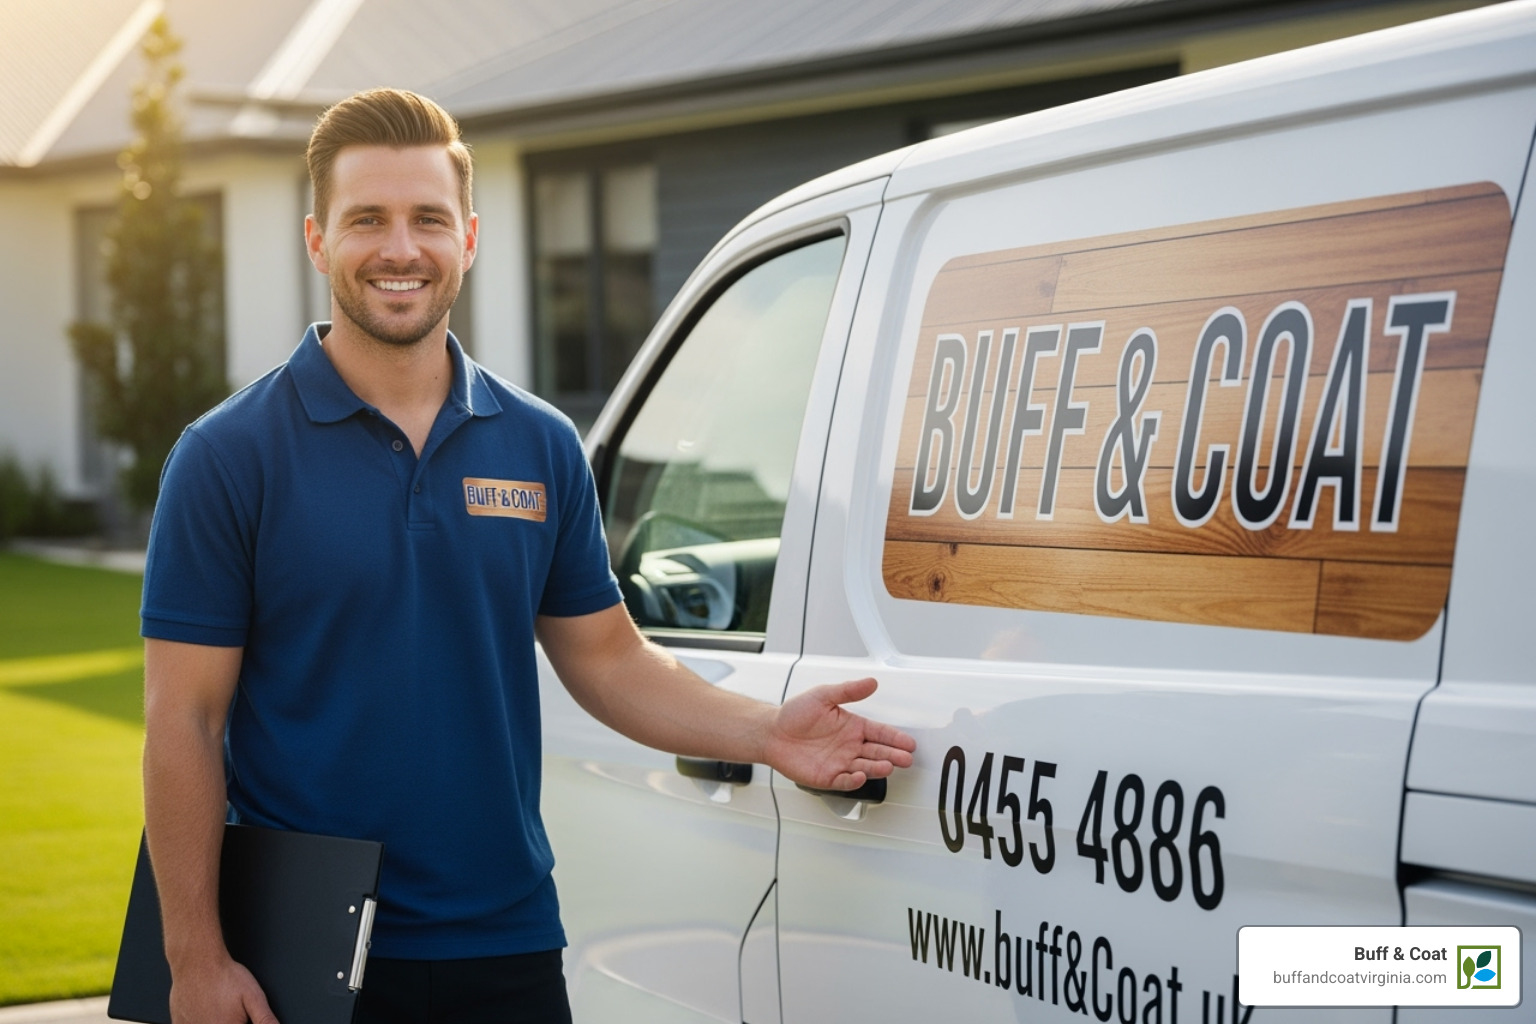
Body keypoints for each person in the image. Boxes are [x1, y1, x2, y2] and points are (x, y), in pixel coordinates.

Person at [139, 87, 915, 1024]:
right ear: (317, 241)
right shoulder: (227, 456)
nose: (400, 249)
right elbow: (184, 720)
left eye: (429, 219)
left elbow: (610, 658)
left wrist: (766, 731)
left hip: (506, 943)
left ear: (468, 239)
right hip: (303, 957)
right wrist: (195, 958)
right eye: (367, 219)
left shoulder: (541, 445)